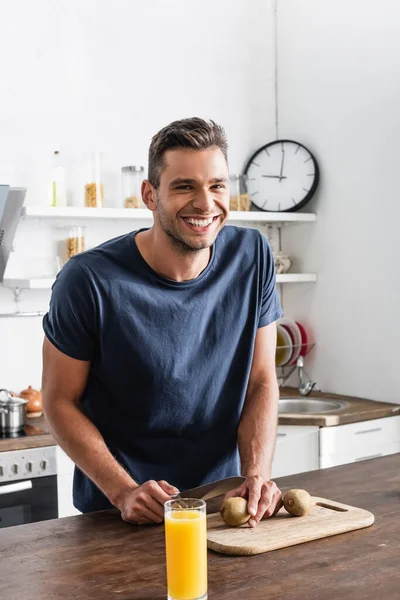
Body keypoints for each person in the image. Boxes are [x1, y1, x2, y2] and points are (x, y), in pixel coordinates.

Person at [42, 117, 283, 527]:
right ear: (150, 195)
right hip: (121, 516)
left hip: (220, 509)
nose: (205, 203)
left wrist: (256, 472)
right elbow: (58, 400)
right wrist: (122, 491)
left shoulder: (253, 255)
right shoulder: (87, 280)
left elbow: (261, 379)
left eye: (217, 185)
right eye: (184, 186)